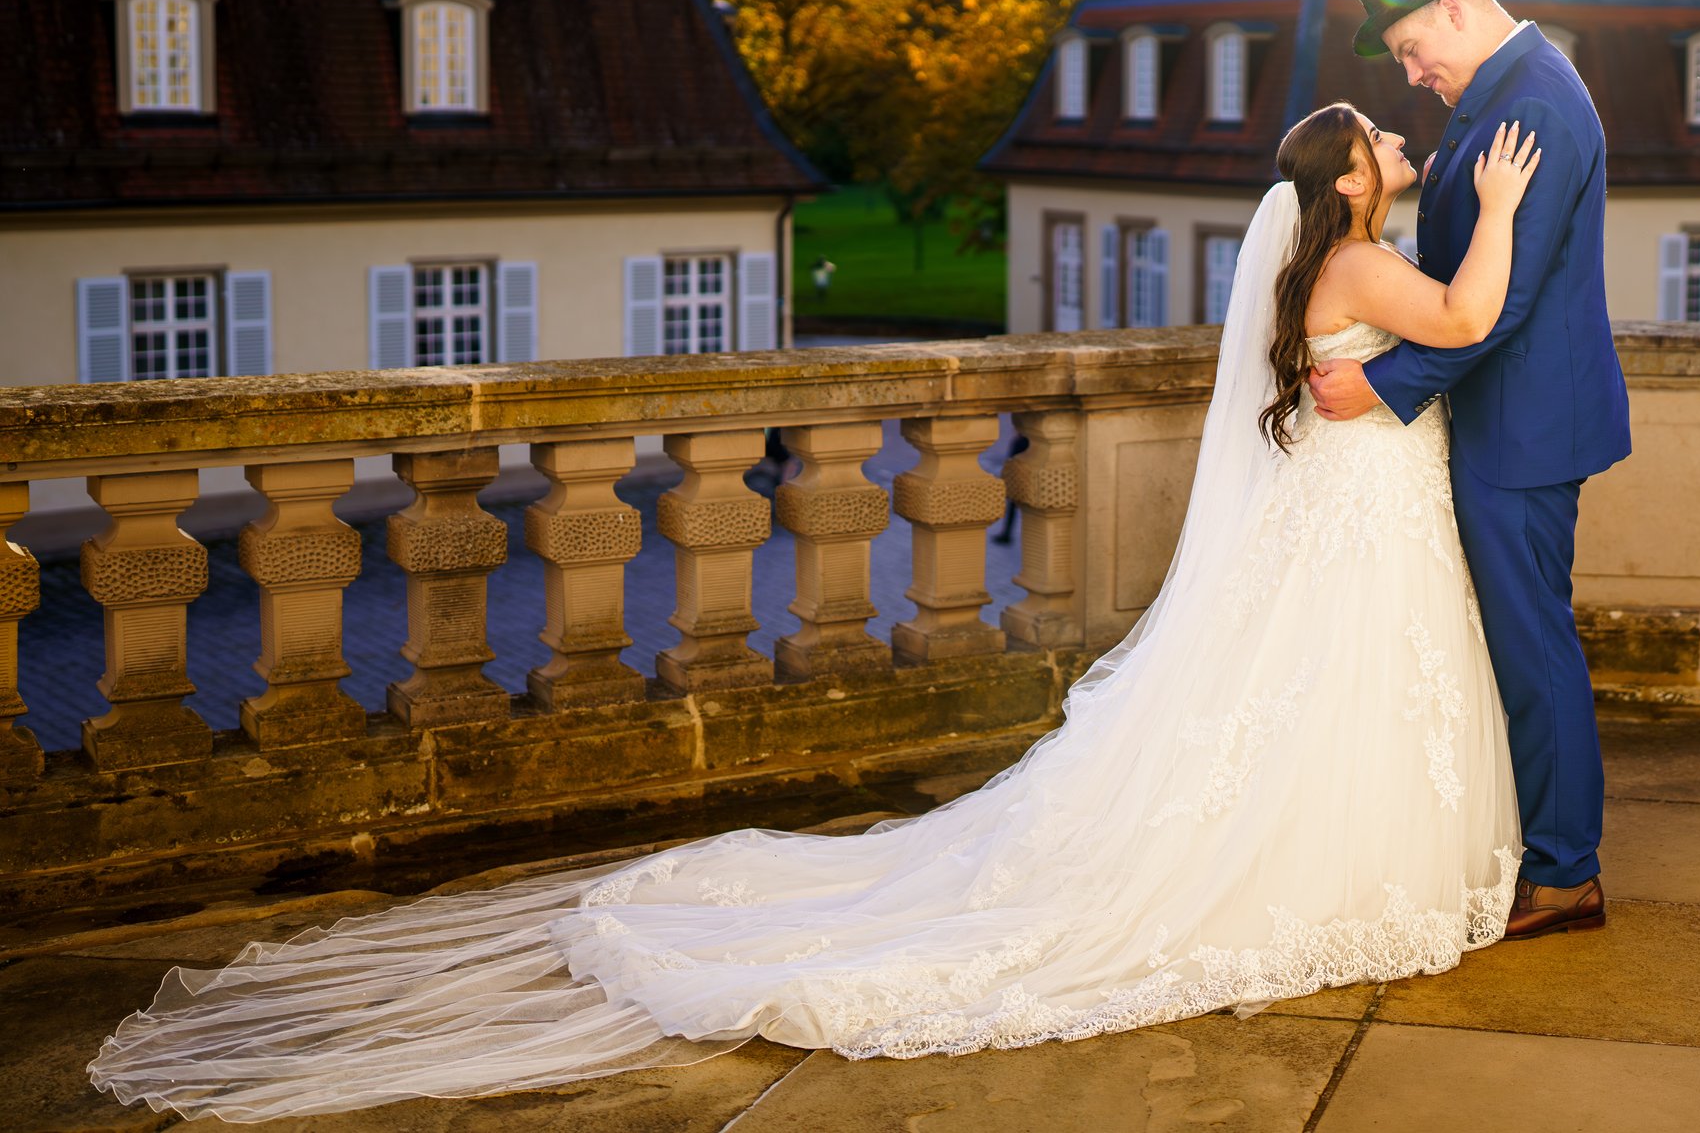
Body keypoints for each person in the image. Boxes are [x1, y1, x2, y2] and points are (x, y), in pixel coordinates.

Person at [86, 95, 1546, 1123]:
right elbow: (1470, 320)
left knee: (1307, 694)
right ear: (1352, 184)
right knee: (1335, 691)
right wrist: (1498, 207)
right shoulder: (1365, 257)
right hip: (1357, 519)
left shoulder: (1320, 258)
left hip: (1346, 516)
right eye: (1384, 142)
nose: (1403, 149)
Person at [1309, 0, 1633, 940]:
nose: (1411, 74)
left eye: (1411, 49)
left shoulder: (1530, 102)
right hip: (1510, 415)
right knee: (1515, 642)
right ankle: (1540, 851)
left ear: (1455, 8)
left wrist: (1384, 384)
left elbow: (1502, 305)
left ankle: (1564, 873)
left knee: (1533, 648)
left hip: (1524, 426)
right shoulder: (1508, 92)